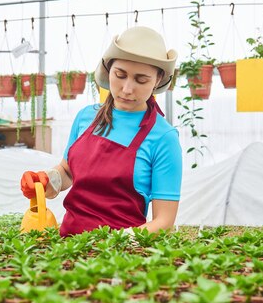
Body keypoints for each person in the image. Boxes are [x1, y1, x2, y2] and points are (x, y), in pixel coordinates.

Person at [21, 26, 182, 236]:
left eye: (141, 80)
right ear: (108, 69)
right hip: (69, 247)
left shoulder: (163, 138)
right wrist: (46, 180)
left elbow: (164, 221)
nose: (126, 89)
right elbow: (68, 171)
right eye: (120, 75)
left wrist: (117, 242)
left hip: (121, 256)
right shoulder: (86, 117)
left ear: (158, 80)